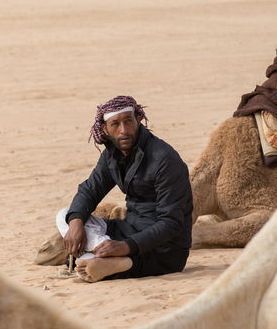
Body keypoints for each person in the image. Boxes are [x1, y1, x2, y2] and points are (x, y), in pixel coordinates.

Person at [58, 96, 193, 282]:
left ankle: (116, 260)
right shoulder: (111, 155)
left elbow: (171, 223)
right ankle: (103, 253)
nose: (123, 131)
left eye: (128, 121)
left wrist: (127, 246)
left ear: (138, 120)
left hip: (164, 249)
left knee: (84, 257)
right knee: (66, 214)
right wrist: (76, 222)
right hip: (129, 229)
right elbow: (89, 190)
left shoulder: (165, 159)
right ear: (105, 129)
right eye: (115, 124)